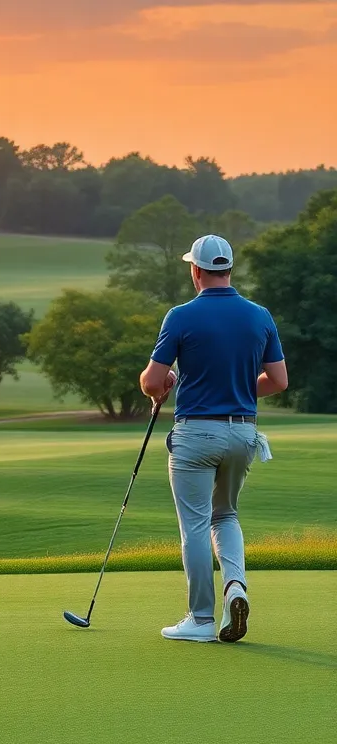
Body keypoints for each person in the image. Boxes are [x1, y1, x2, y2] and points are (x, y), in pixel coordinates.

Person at [140, 235, 288, 644]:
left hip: (195, 434)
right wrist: (236, 386)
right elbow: (279, 381)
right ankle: (235, 588)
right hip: (243, 432)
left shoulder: (181, 315)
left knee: (196, 525)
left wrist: (163, 386)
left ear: (196, 270)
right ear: (228, 269)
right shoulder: (260, 315)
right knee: (227, 515)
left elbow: (153, 380)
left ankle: (202, 618)